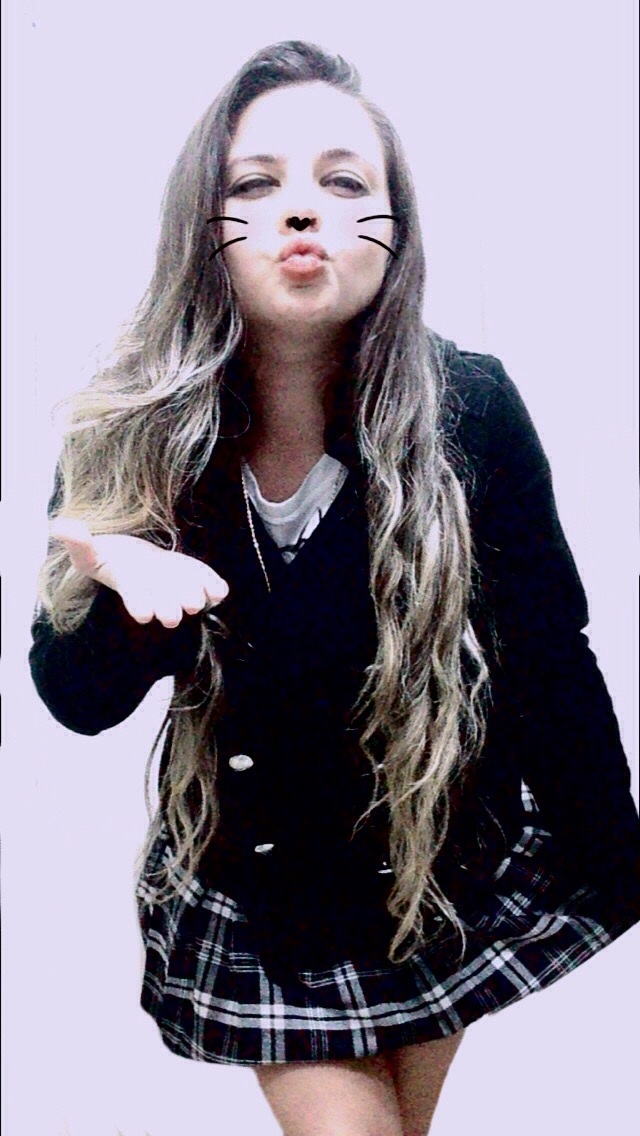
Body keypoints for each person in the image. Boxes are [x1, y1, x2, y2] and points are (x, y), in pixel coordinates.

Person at [29, 39, 640, 1136]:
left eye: (345, 181)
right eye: (256, 184)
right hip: (266, 886)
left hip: (438, 868)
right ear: (201, 225)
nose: (303, 210)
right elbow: (74, 697)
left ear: (395, 228)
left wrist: (616, 858)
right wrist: (135, 597)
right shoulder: (133, 430)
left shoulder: (469, 405)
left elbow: (548, 652)